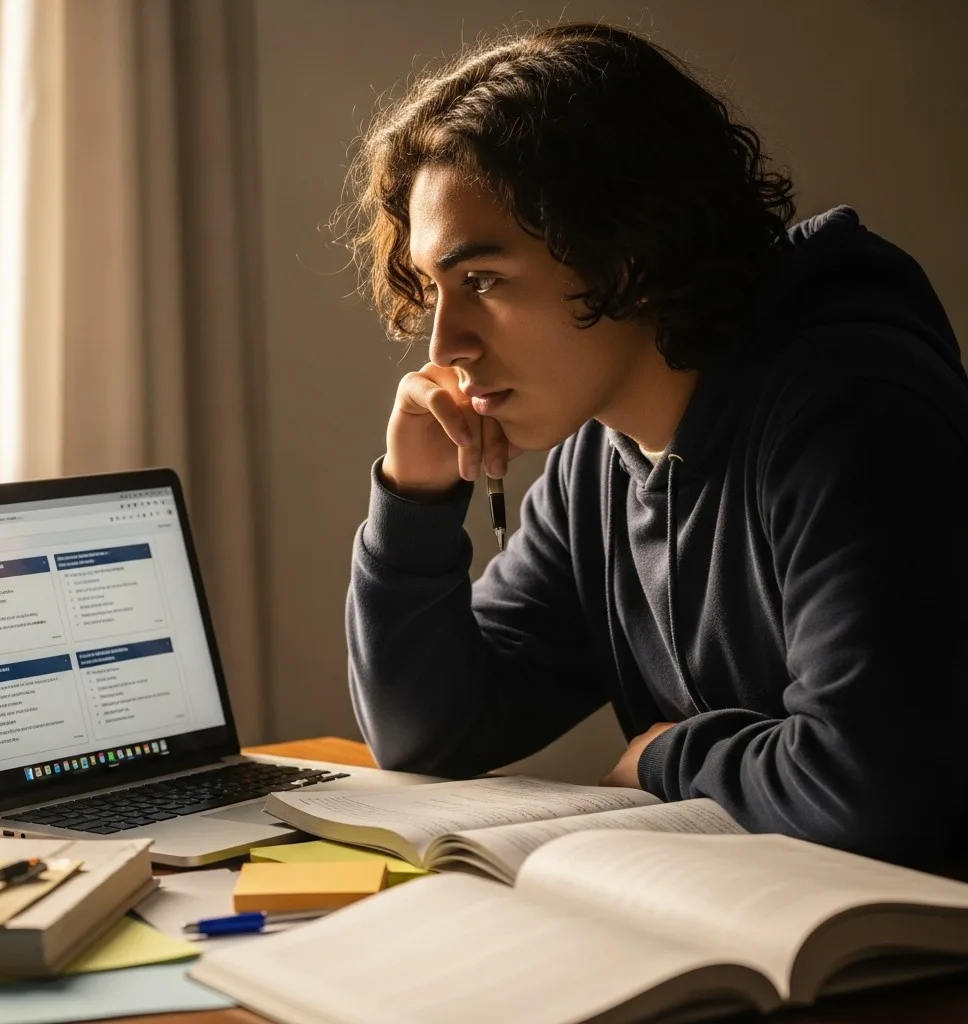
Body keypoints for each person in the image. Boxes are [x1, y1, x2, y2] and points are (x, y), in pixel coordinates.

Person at [337, 21, 968, 867]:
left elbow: (878, 788)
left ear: (623, 255)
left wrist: (669, 756)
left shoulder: (850, 409)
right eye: (436, 289)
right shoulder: (599, 459)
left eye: (482, 281)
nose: (443, 346)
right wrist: (413, 500)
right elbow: (431, 733)